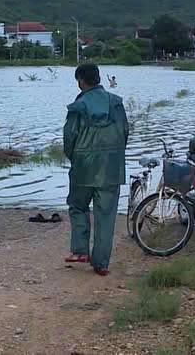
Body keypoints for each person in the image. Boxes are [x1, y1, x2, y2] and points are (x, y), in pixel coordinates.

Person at [63, 63, 128, 276]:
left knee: (77, 205)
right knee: (106, 216)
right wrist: (114, 156)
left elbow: (69, 137)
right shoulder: (116, 103)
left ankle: (80, 250)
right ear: (99, 78)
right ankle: (101, 264)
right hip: (112, 167)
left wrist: (75, 157)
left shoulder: (78, 106)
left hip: (83, 166)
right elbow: (124, 132)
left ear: (81, 81)